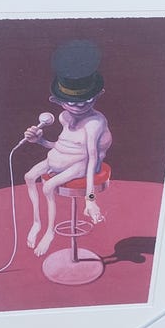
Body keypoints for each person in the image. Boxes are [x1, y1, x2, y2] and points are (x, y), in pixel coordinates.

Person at [24, 40, 112, 256]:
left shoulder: (94, 123)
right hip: (60, 160)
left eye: (86, 100)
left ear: (98, 95)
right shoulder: (64, 117)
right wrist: (40, 141)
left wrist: (90, 200)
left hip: (82, 165)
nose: (79, 105)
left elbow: (91, 159)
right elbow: (62, 147)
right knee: (29, 176)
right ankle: (36, 223)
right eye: (72, 102)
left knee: (48, 187)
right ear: (56, 100)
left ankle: (50, 233)